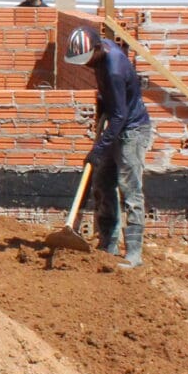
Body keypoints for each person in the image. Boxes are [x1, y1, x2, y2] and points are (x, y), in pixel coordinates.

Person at [64, 26, 153, 267]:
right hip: (116, 125)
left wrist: (98, 149)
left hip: (132, 131)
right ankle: (108, 244)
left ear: (97, 49)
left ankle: (134, 253)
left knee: (129, 189)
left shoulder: (114, 68)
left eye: (88, 59)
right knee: (103, 183)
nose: (86, 64)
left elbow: (119, 116)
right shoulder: (101, 51)